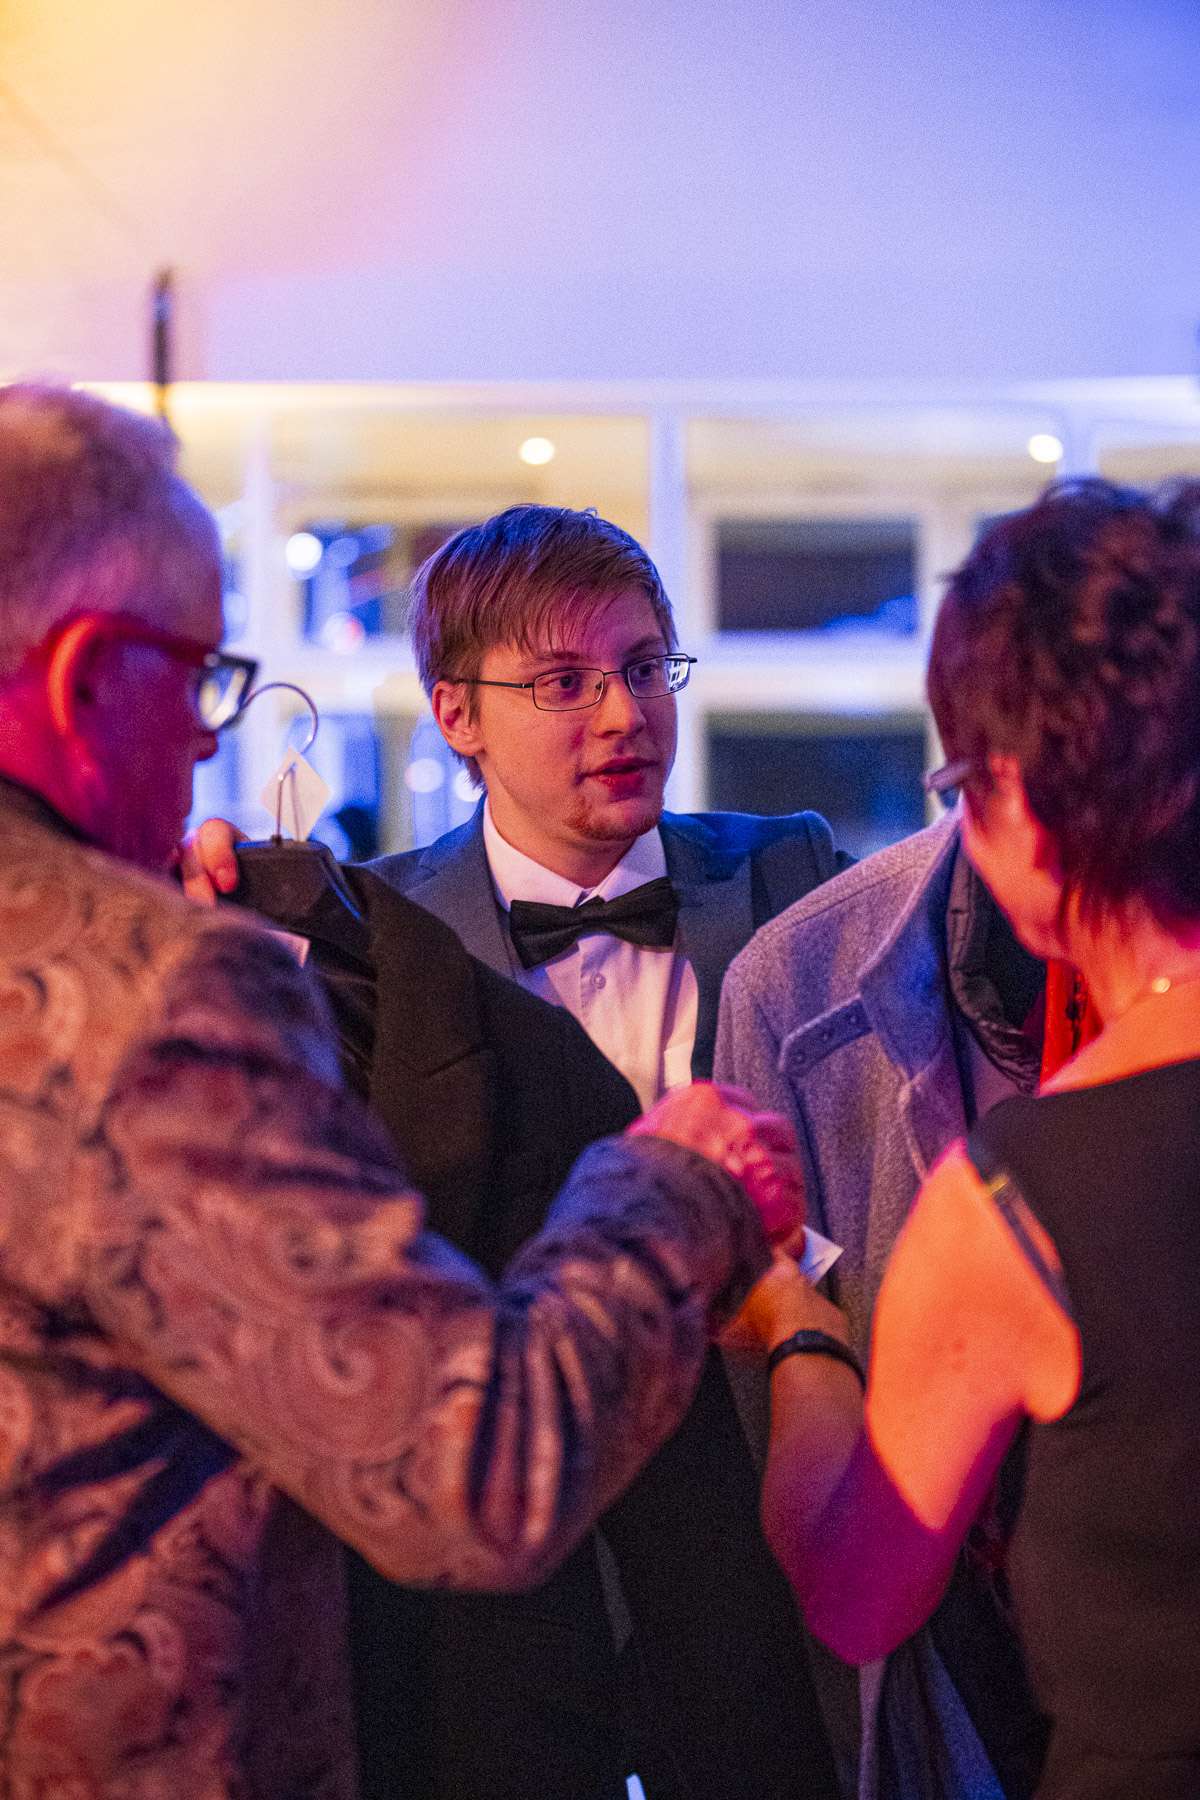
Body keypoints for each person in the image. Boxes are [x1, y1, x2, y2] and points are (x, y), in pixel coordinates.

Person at [0, 382, 805, 1799]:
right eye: (193, 678)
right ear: (80, 681)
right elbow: (464, 1469)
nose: (209, 741)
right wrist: (674, 1180)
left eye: (645, 668)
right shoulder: (167, 985)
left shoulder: (795, 882)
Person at [183, 502, 848, 1799]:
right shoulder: (374, 938)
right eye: (563, 683)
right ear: (457, 715)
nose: (624, 714)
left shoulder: (792, 875)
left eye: (644, 667)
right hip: (510, 1545)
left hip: (761, 1503)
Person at [733, 478, 1200, 1800]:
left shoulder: (1021, 1202)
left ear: (1020, 808)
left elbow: (857, 1590)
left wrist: (796, 1321)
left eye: (960, 789)